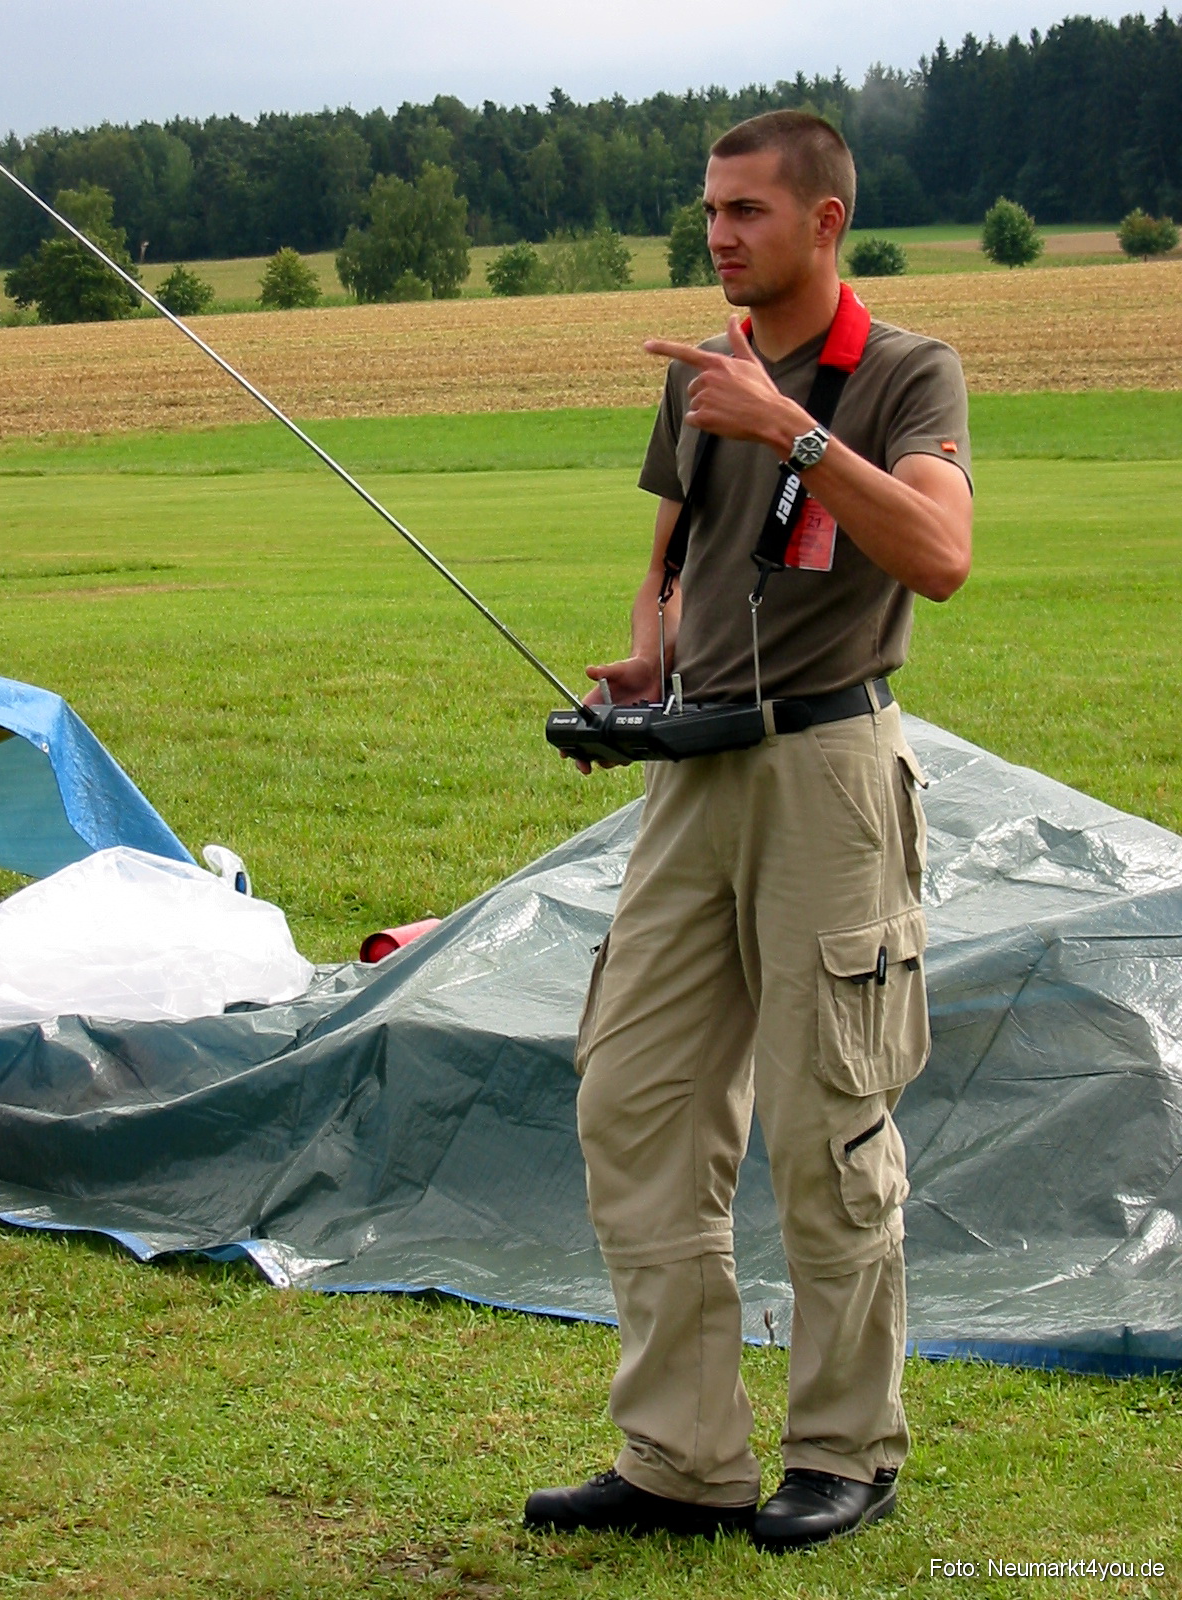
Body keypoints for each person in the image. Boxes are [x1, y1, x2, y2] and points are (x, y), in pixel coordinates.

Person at [524, 110, 972, 1552]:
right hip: (690, 772)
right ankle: (681, 1456)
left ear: (826, 221)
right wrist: (646, 657)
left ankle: (848, 1450)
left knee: (829, 1119)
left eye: (747, 213)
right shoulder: (703, 372)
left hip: (828, 771)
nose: (718, 235)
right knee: (632, 1098)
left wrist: (794, 429)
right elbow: (676, 546)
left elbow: (942, 555)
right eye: (710, 211)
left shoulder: (905, 371)